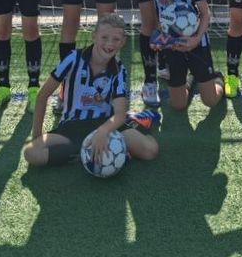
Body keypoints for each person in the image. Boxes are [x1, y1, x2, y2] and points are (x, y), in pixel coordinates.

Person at [23, 13, 160, 167]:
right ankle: (88, 152)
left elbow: (119, 114)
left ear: (123, 42)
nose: (109, 43)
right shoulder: (73, 58)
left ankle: (134, 124)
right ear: (94, 36)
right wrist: (36, 135)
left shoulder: (119, 70)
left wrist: (102, 132)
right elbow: (42, 96)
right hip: (72, 127)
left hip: (106, 124)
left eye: (116, 39)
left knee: (150, 151)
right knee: (31, 153)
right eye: (104, 37)